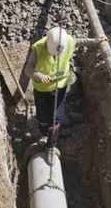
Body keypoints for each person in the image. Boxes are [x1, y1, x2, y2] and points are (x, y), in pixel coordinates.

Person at [24, 27, 104, 155]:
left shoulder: (68, 41)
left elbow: (80, 41)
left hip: (60, 88)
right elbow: (28, 68)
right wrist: (39, 76)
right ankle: (44, 134)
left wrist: (96, 41)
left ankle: (51, 145)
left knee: (56, 118)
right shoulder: (38, 48)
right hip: (42, 90)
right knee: (43, 117)